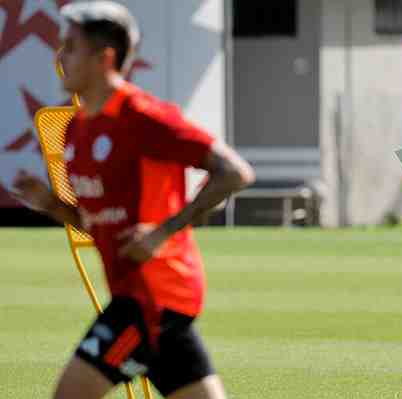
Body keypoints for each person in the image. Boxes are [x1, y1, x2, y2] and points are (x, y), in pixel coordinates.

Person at [13, 2, 255, 398]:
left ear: (104, 58)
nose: (61, 57)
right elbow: (97, 222)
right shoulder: (76, 131)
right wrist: (53, 205)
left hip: (150, 299)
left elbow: (235, 172)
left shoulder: (145, 117)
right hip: (148, 300)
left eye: (71, 47)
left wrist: (161, 233)